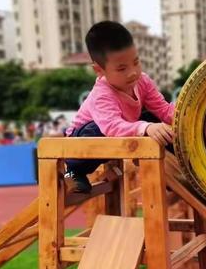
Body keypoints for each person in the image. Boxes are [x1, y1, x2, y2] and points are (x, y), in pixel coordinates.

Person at [65, 21, 174, 193]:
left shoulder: (142, 81)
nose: (133, 72)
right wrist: (146, 128)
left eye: (136, 62)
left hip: (117, 136)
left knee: (155, 121)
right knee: (100, 129)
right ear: (99, 70)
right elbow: (112, 127)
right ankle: (71, 170)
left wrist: (187, 114)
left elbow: (163, 109)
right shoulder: (101, 94)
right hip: (79, 144)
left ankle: (174, 169)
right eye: (122, 68)